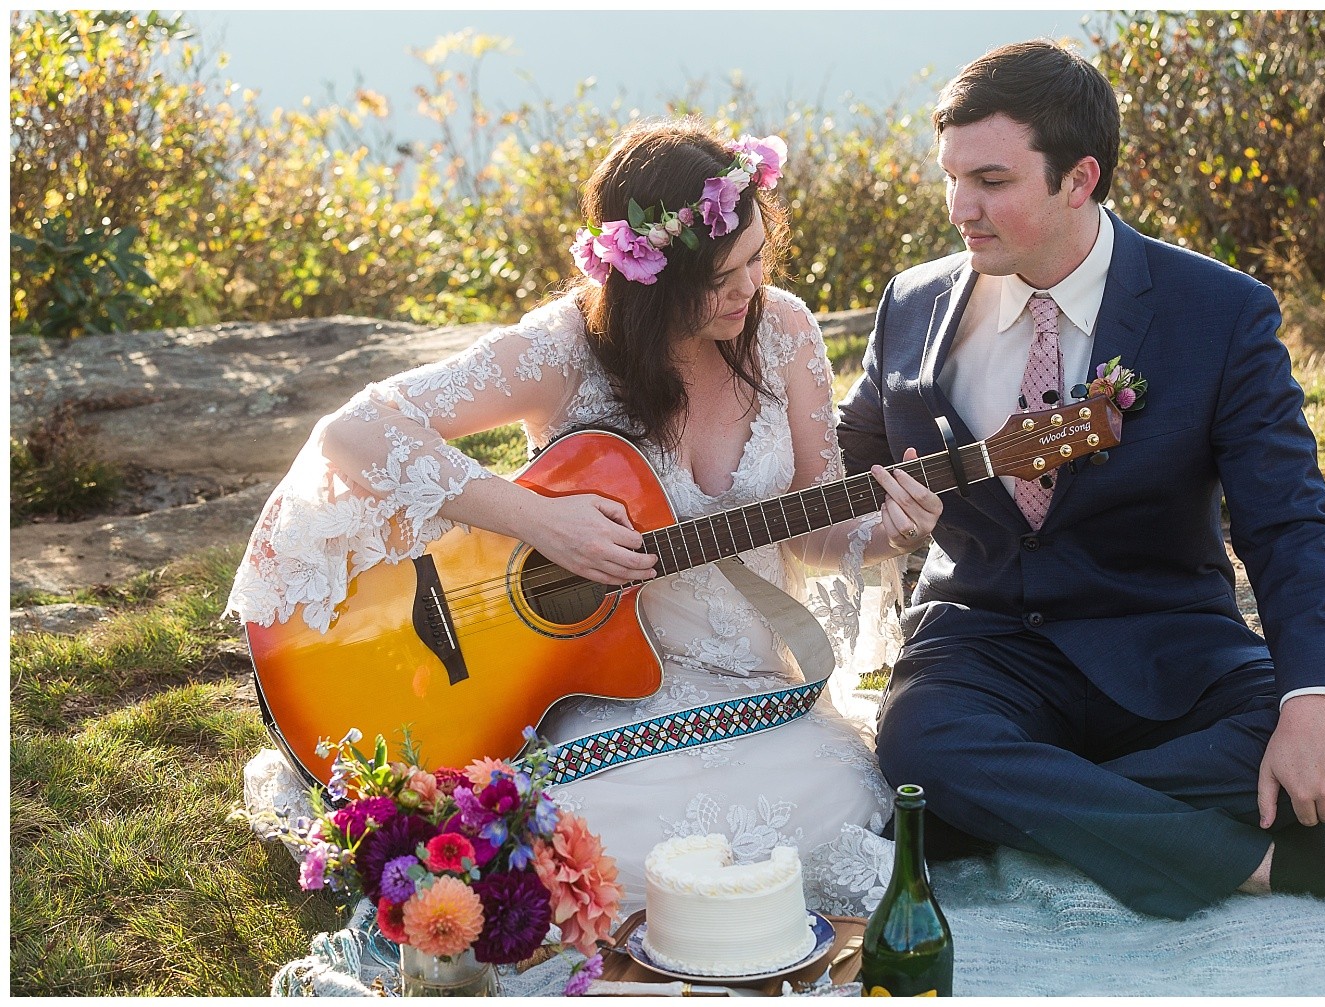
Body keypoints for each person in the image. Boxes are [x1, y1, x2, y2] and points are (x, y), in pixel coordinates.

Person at [228, 120, 942, 912]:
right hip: (605, 686)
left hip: (752, 687)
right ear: (650, 283)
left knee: (839, 796)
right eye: (721, 277)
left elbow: (810, 527)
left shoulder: (786, 333)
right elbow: (356, 431)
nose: (748, 288)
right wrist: (537, 518)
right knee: (584, 846)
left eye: (756, 258)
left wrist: (891, 533)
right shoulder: (566, 347)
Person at [835, 40, 1325, 922]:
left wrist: (1312, 700)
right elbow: (846, 459)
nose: (960, 209)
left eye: (993, 181)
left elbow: (1289, 523)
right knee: (924, 742)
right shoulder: (911, 304)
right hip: (982, 645)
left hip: (1167, 640)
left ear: (1080, 179)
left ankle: (1003, 810)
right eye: (951, 177)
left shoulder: (1221, 313)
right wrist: (879, 517)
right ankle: (1253, 860)